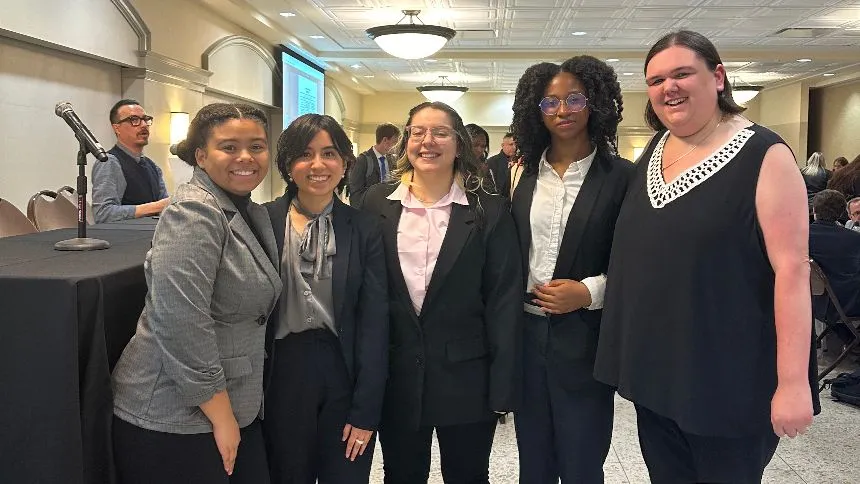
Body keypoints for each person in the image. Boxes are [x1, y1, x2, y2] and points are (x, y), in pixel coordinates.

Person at [594, 30, 817, 483]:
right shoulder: (657, 149)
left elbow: (792, 272)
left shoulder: (765, 155)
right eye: (656, 80)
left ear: (717, 77)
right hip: (660, 374)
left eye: (681, 74)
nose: (667, 88)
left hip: (728, 377)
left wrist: (793, 383)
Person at [111, 103, 281, 484]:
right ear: (201, 156)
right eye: (229, 147)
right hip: (175, 413)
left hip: (227, 405)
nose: (245, 158)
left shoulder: (246, 210)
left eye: (256, 146)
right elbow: (179, 321)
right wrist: (222, 416)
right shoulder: (193, 212)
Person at [361, 102, 522, 484]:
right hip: (396, 377)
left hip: (468, 378)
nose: (427, 141)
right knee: (400, 475)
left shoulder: (491, 210)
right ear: (405, 141)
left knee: (468, 476)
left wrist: (503, 387)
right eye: (418, 132)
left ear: (459, 143)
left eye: (441, 132)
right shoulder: (374, 204)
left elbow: (503, 301)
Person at [509, 56, 632, 484]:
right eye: (549, 102)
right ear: (535, 110)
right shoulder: (517, 175)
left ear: (595, 102)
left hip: (586, 340)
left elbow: (637, 263)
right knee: (533, 462)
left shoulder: (622, 179)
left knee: (583, 461)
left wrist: (589, 291)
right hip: (525, 337)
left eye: (574, 99)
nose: (562, 110)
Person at [261, 114, 389, 484]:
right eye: (304, 154)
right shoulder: (263, 220)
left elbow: (375, 322)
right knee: (287, 475)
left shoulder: (365, 227)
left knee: (346, 475)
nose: (318, 165)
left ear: (345, 162)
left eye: (329, 153)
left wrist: (366, 411)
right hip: (281, 371)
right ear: (287, 165)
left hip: (343, 369)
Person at [92, 99, 170, 223]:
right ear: (116, 128)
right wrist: (156, 207)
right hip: (124, 239)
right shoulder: (109, 162)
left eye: (145, 119)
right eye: (134, 120)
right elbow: (103, 214)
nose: (144, 125)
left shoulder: (153, 166)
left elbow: (166, 207)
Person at [810, 189, 860, 327]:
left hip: (814, 303)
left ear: (814, 210)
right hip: (849, 304)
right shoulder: (854, 239)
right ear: (842, 213)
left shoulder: (801, 237)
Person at [348, 123, 400, 207]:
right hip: (369, 210)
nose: (396, 146)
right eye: (394, 142)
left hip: (388, 211)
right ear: (385, 140)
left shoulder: (392, 160)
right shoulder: (363, 160)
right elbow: (355, 192)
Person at [486, 133, 516, 198]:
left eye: (516, 144)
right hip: (499, 202)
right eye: (511, 144)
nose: (514, 147)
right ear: (503, 145)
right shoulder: (491, 162)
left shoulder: (521, 162)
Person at [802, 152, 831, 218]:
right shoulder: (827, 173)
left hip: (804, 204)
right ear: (823, 161)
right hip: (820, 204)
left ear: (810, 160)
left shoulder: (802, 172)